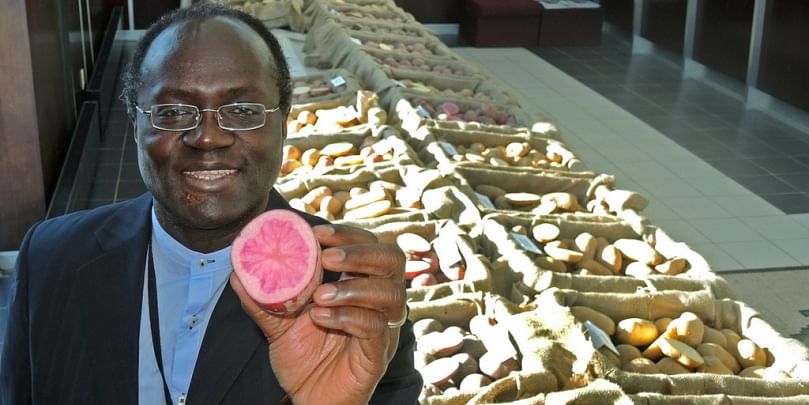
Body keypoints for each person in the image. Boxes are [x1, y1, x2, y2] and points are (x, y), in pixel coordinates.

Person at [0, 4, 422, 404]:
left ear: (284, 123)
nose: (208, 137)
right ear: (135, 125)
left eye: (242, 110)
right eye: (173, 111)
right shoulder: (49, 259)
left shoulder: (352, 295)